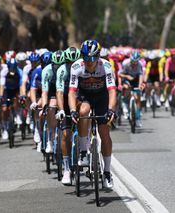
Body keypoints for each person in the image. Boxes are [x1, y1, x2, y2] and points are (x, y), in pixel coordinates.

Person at [69, 39, 116, 188]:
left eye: (93, 58)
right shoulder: (76, 67)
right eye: (86, 58)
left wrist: (111, 110)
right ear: (82, 57)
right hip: (85, 96)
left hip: (102, 97)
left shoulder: (106, 66)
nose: (89, 61)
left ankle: (107, 172)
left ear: (98, 57)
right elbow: (71, 92)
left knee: (104, 133)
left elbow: (112, 91)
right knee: (83, 111)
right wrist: (72, 111)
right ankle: (83, 151)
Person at [55, 47, 81, 185]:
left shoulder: (82, 67)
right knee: (65, 135)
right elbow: (59, 93)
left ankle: (87, 150)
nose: (72, 65)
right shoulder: (62, 71)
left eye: (74, 61)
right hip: (65, 99)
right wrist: (61, 110)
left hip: (79, 97)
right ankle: (66, 168)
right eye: (69, 62)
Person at [41, 50, 66, 153]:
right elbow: (44, 92)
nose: (58, 67)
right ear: (52, 64)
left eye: (61, 65)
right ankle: (50, 141)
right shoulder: (46, 71)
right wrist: (44, 107)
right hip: (52, 89)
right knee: (52, 107)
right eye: (56, 65)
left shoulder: (67, 70)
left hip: (64, 90)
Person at [0, 58, 25, 140]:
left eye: (14, 68)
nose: (12, 70)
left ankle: (18, 115)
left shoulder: (20, 72)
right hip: (7, 90)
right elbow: (2, 86)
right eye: (11, 68)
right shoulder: (4, 72)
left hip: (16, 89)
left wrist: (22, 95)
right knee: (4, 109)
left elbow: (21, 85)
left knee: (18, 100)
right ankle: (5, 127)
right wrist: (0, 96)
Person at [118, 51, 144, 127]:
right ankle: (125, 105)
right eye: (133, 61)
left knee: (138, 97)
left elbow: (141, 76)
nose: (134, 63)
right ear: (130, 59)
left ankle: (138, 118)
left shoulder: (140, 64)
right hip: (126, 77)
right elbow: (120, 74)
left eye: (136, 62)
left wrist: (139, 86)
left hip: (135, 79)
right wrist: (122, 82)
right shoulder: (125, 63)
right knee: (127, 88)